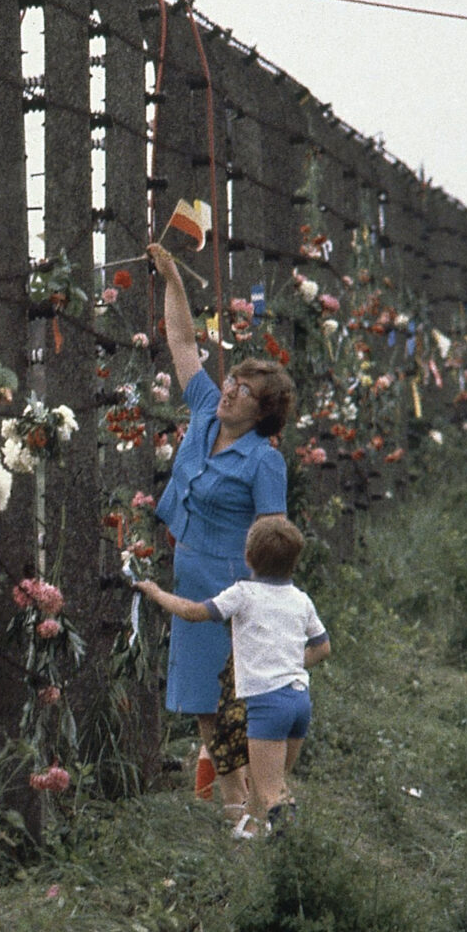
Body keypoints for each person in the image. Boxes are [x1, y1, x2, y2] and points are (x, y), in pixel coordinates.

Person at [144, 241, 295, 825]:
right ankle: (240, 810)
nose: (229, 390)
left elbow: (273, 538)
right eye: (233, 382)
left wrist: (263, 604)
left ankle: (251, 809)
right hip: (190, 580)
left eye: (246, 393)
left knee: (237, 706)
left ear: (263, 413)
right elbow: (183, 343)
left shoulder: (264, 461)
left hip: (233, 589)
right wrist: (173, 279)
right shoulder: (204, 410)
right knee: (206, 707)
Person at [134, 517, 331, 838]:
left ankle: (291, 856)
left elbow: (193, 612)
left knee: (273, 795)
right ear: (295, 562)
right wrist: (289, 662)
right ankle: (247, 845)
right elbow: (323, 648)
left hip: (268, 706)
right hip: (299, 702)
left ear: (248, 557)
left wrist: (155, 592)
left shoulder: (243, 593)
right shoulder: (301, 599)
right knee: (266, 788)